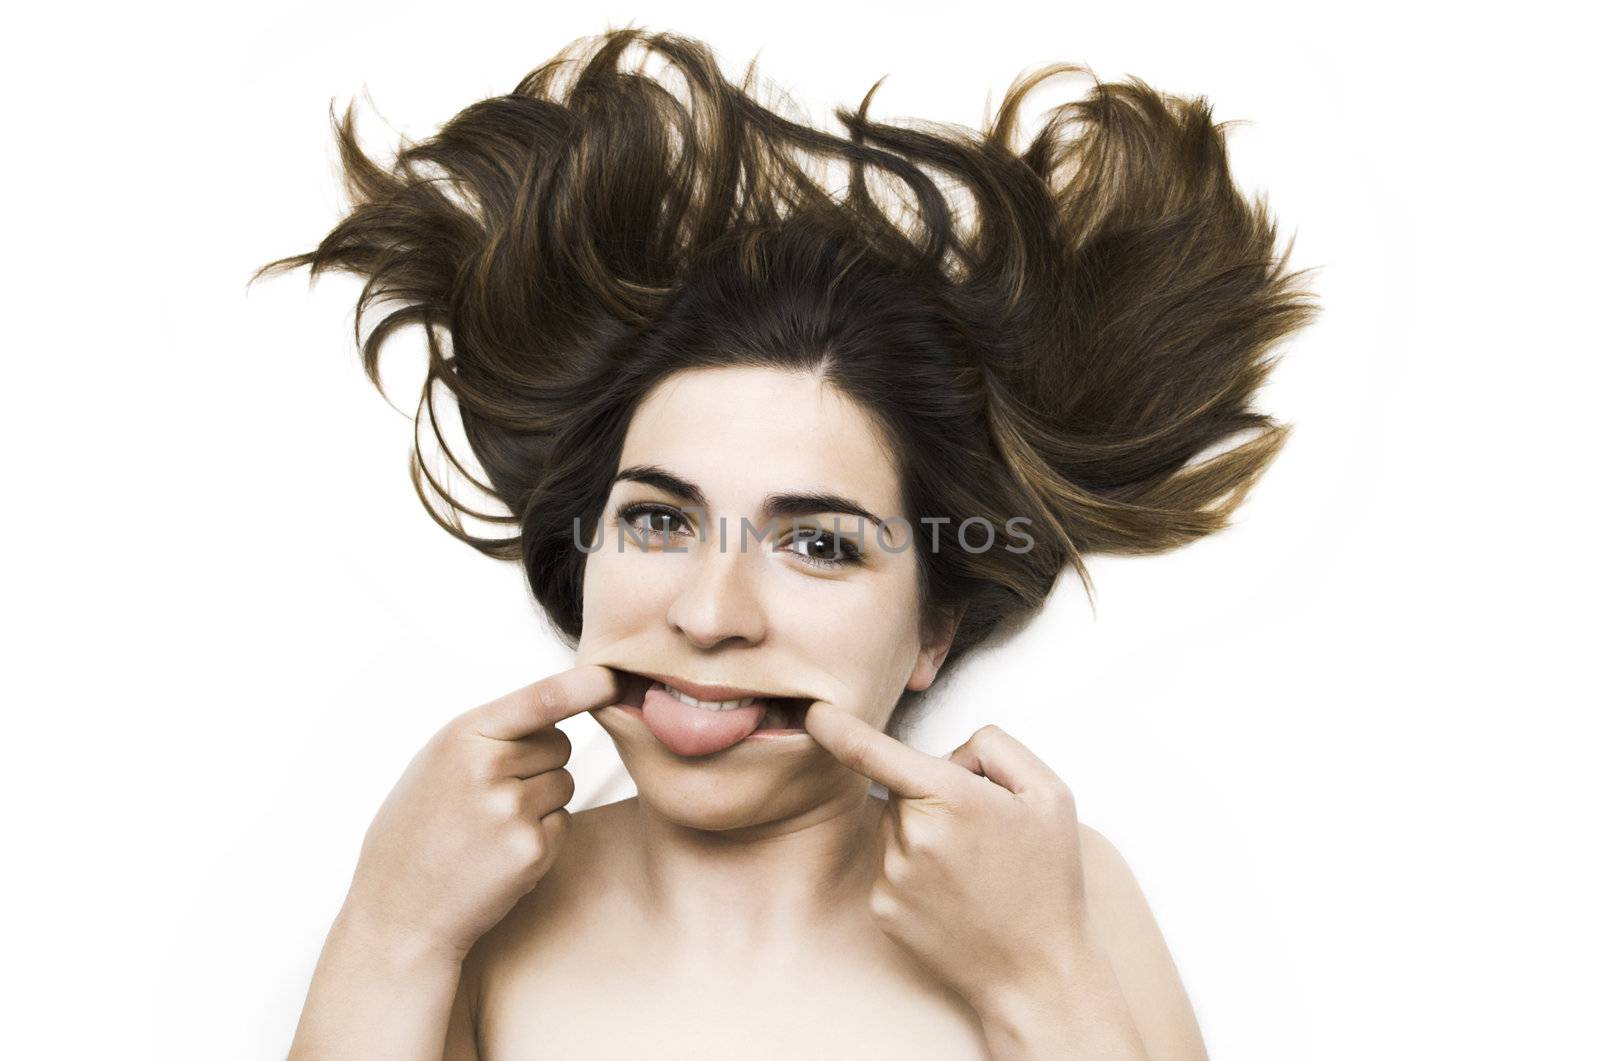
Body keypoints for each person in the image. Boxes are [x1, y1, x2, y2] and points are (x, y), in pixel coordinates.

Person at [252, 25, 1318, 1060]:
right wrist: (386, 933)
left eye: (819, 544)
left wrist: (1035, 980)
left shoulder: (1061, 901)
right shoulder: (462, 915)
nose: (709, 614)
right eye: (659, 520)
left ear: (929, 635)